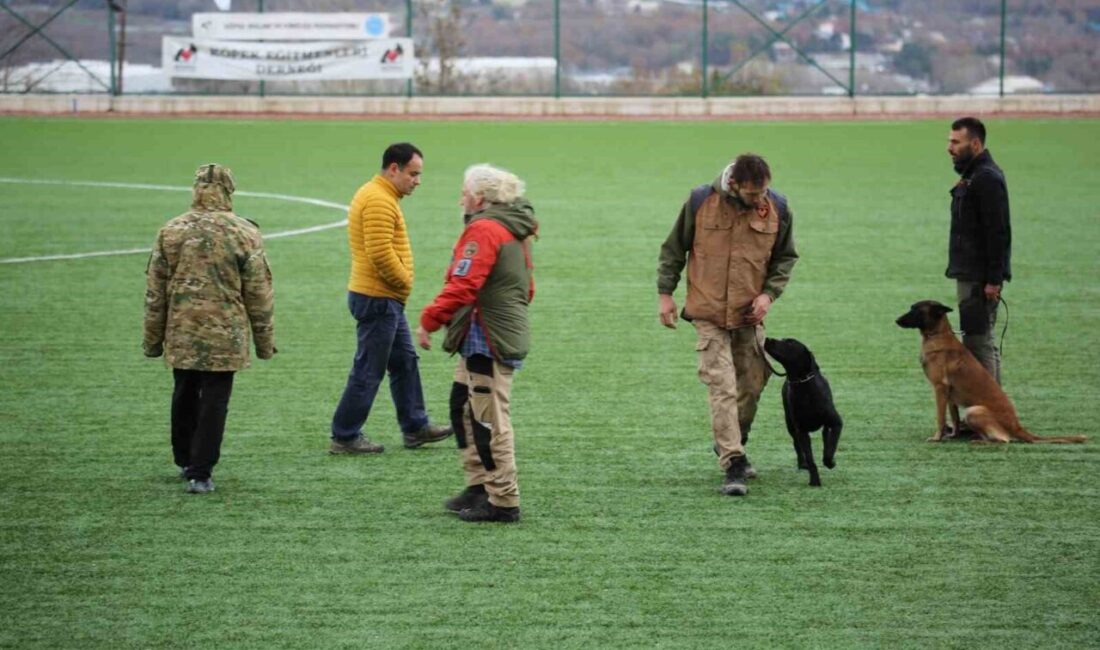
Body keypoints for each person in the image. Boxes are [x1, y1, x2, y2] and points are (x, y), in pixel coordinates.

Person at [657, 154, 798, 496]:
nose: (759, 199)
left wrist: (768, 296)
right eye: (753, 194)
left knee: (751, 385)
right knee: (722, 386)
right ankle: (733, 462)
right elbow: (674, 249)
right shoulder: (699, 201)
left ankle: (733, 440)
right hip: (707, 313)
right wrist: (665, 293)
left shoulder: (778, 206)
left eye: (763, 191)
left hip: (749, 315)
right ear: (733, 183)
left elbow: (785, 257)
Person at [143, 163, 276, 494]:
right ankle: (201, 471)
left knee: (184, 391)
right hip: (224, 334)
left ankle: (184, 459)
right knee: (215, 399)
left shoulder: (171, 231)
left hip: (181, 330)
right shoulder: (244, 233)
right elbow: (259, 294)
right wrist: (264, 342)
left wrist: (152, 341)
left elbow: (154, 292)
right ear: (229, 191)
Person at [416, 164, 538, 523]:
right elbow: (526, 287)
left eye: (464, 192)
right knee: (463, 407)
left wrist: (429, 319)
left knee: (487, 419)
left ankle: (502, 501)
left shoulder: (484, 229)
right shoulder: (511, 226)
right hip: (482, 333)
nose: (460, 198)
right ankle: (478, 486)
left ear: (480, 197)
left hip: (487, 338)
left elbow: (463, 284)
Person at [330, 143, 452, 454]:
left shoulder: (380, 195)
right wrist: (405, 281)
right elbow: (380, 253)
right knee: (369, 368)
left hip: (382, 299)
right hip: (378, 298)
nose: (417, 181)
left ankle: (415, 426)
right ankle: (345, 435)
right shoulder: (378, 200)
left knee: (404, 361)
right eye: (413, 173)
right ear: (394, 168)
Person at [946, 116, 1011, 386]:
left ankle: (990, 416)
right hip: (972, 274)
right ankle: (991, 413)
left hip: (979, 278)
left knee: (978, 344)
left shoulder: (985, 179)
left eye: (955, 142)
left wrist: (993, 280)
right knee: (980, 342)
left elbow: (998, 234)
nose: (949, 147)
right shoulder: (975, 175)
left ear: (974, 143)